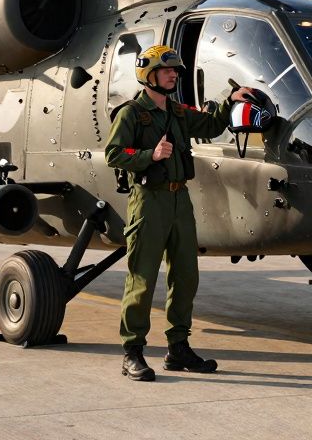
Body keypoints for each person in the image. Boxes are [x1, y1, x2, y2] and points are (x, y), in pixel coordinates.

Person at [104, 45, 255, 382]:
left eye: (176, 70)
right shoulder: (132, 113)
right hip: (149, 201)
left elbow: (212, 125)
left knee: (186, 276)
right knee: (142, 278)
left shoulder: (178, 112)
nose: (174, 75)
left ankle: (178, 348)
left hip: (179, 200)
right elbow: (113, 153)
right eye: (167, 70)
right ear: (149, 75)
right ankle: (132, 352)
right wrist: (150, 155)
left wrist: (231, 100)